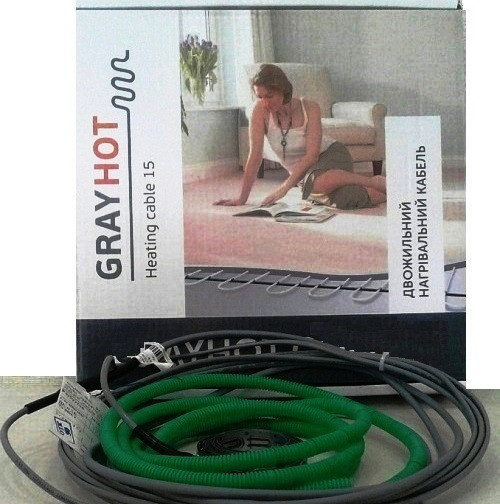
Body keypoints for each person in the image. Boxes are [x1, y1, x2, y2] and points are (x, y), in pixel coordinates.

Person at [214, 64, 386, 210]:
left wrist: (284, 188)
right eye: (260, 96)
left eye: (269, 96)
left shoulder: (310, 108)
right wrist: (242, 198)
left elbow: (312, 156)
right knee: (343, 198)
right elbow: (255, 155)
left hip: (330, 155)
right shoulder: (259, 111)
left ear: (283, 90)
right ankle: (386, 193)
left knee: (316, 184)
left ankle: (373, 181)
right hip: (304, 173)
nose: (265, 102)